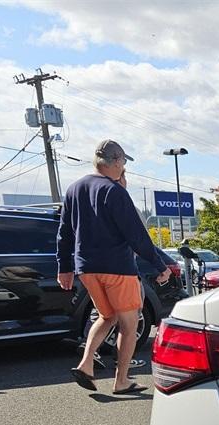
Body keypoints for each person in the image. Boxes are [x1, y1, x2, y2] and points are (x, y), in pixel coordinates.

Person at [56, 140, 172, 395]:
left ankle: (86, 364)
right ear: (117, 161)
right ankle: (122, 380)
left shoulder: (74, 189)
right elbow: (136, 235)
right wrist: (159, 264)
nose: (123, 167)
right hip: (117, 268)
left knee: (107, 316)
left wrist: (64, 267)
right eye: (123, 162)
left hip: (86, 268)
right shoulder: (113, 191)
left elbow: (64, 232)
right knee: (130, 325)